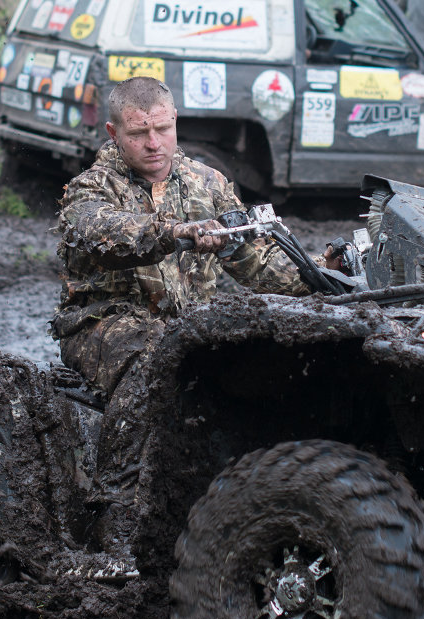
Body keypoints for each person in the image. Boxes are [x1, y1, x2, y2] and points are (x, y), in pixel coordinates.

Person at [53, 78, 317, 395]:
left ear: (175, 120)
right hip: (100, 327)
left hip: (184, 328)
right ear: (114, 133)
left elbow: (256, 262)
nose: (154, 143)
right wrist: (176, 231)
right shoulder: (90, 187)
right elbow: (102, 230)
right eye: (138, 133)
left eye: (162, 129)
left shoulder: (209, 183)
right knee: (159, 367)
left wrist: (321, 270)